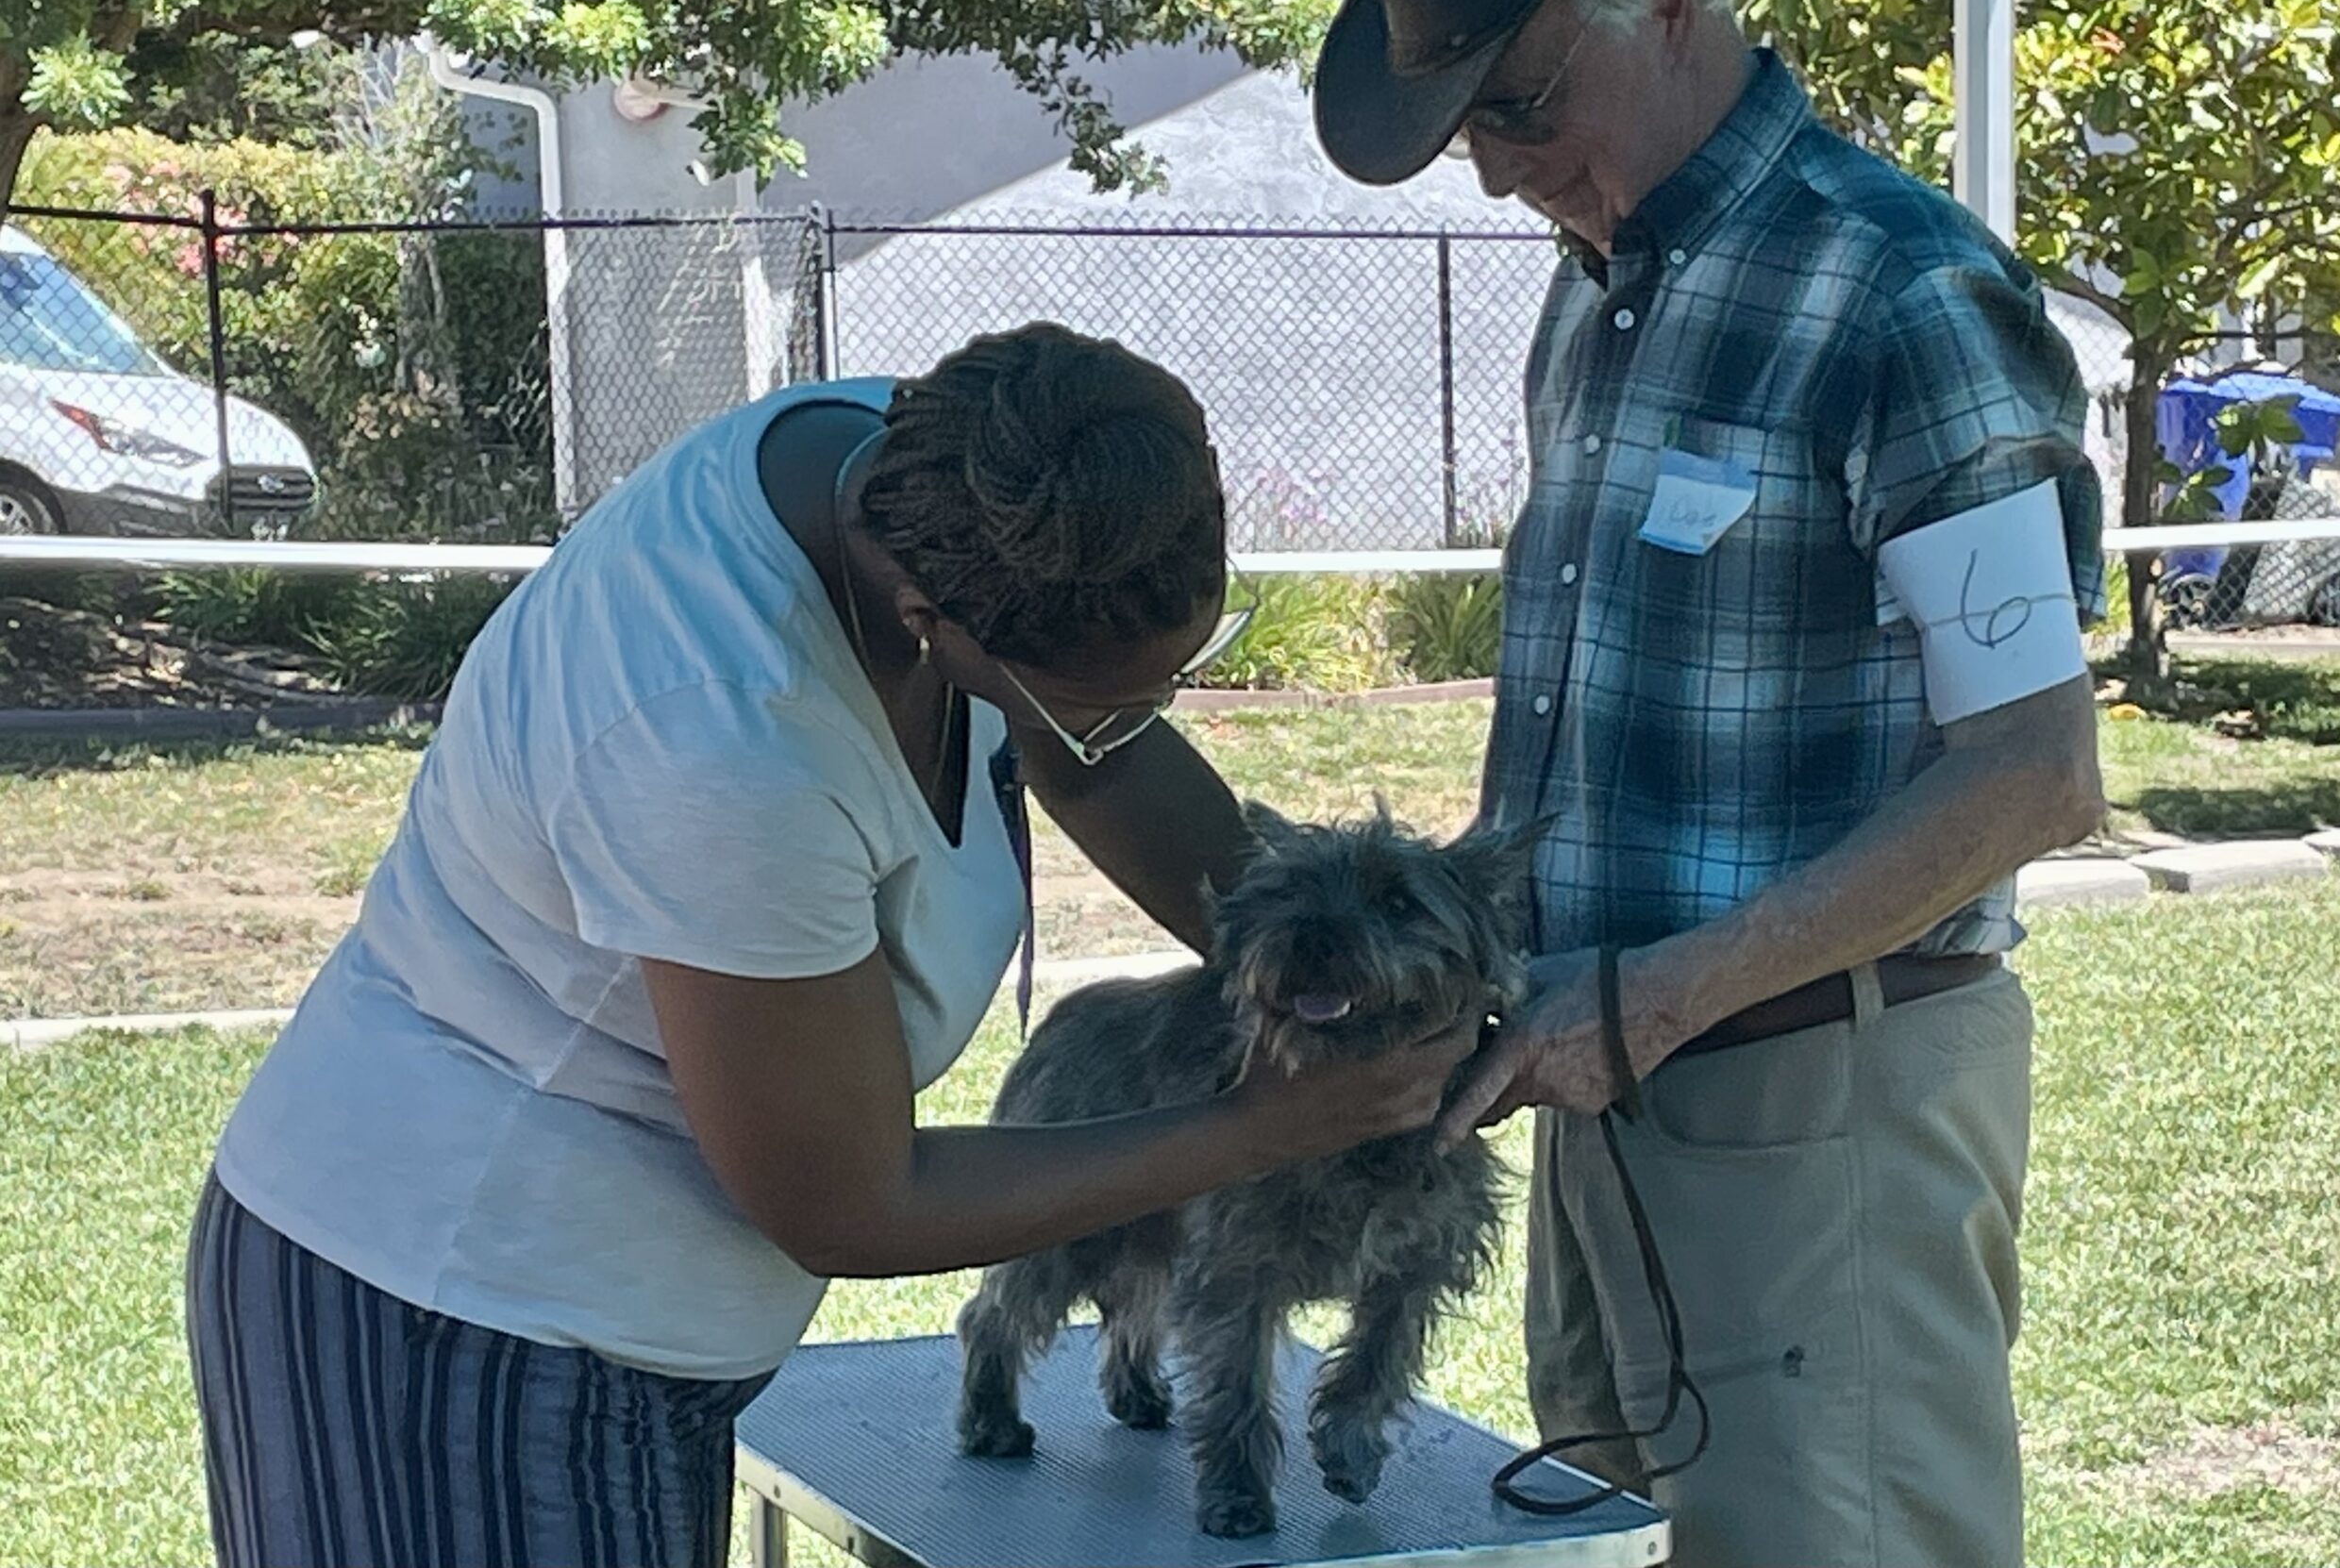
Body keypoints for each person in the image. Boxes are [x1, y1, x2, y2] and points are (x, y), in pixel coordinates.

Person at [185, 324, 1479, 1568]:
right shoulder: (722, 735)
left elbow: (1097, 758)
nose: (1135, 720)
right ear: (933, 621)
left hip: (648, 1317)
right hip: (462, 1313)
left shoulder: (964, 474)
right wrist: (1266, 1125)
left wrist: (1349, 988)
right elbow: (847, 1199)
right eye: (1101, 701)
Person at [1313, 0, 2107, 1568]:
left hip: (1815, 1092)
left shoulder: (1904, 291)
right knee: (1604, 1545)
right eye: (1465, 127)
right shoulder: (1597, 281)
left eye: (1519, 104)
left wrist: (1655, 999)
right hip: (1609, 1083)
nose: (1496, 169)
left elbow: (2035, 773)